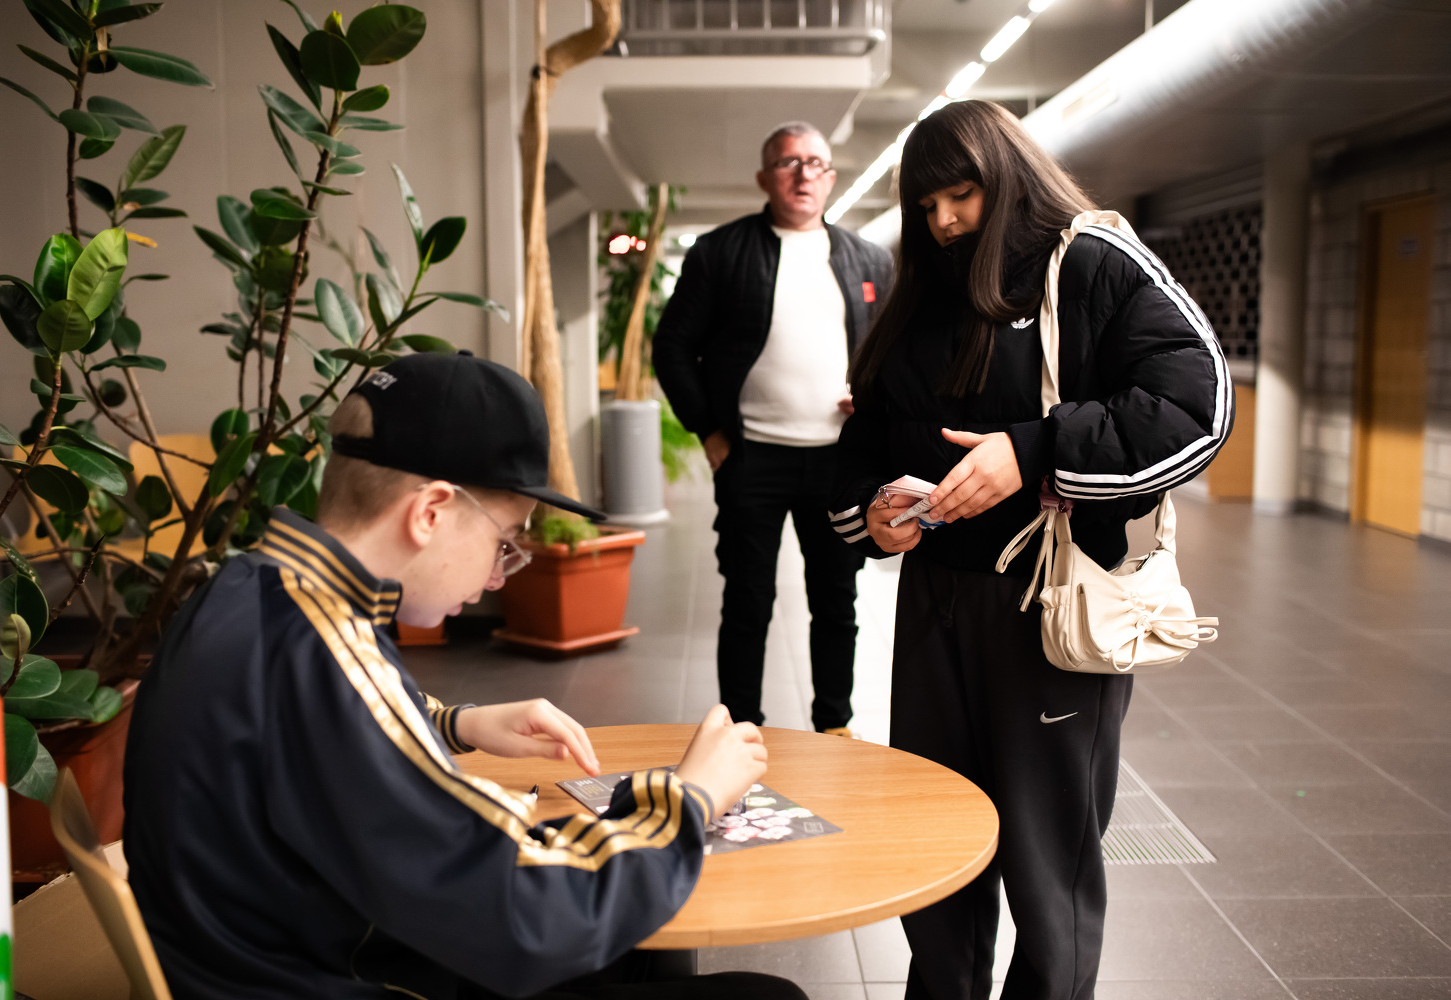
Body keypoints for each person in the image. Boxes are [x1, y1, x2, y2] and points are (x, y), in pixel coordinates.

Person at [123, 352, 807, 1000]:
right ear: (429, 512)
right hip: (356, 976)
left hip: (277, 954)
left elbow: (314, 728)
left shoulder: (246, 590)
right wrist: (688, 797)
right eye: (504, 542)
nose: (497, 578)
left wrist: (454, 723)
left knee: (640, 940)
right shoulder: (330, 652)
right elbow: (528, 915)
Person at [830, 102, 1233, 1000]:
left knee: (1048, 864)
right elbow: (864, 443)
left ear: (1007, 175)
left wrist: (1034, 449)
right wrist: (872, 511)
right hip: (934, 602)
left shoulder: (1091, 262)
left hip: (1048, 606)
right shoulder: (920, 294)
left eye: (961, 195)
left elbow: (1195, 405)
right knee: (936, 842)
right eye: (926, 205)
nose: (943, 221)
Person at [653, 121, 893, 737]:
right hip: (751, 457)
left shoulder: (868, 259)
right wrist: (709, 431)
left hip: (839, 462)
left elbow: (894, 353)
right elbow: (672, 347)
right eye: (789, 163)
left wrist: (873, 397)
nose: (803, 174)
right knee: (748, 599)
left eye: (816, 163)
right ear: (765, 178)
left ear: (830, 178)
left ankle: (834, 726)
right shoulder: (721, 253)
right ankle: (740, 728)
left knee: (836, 600)